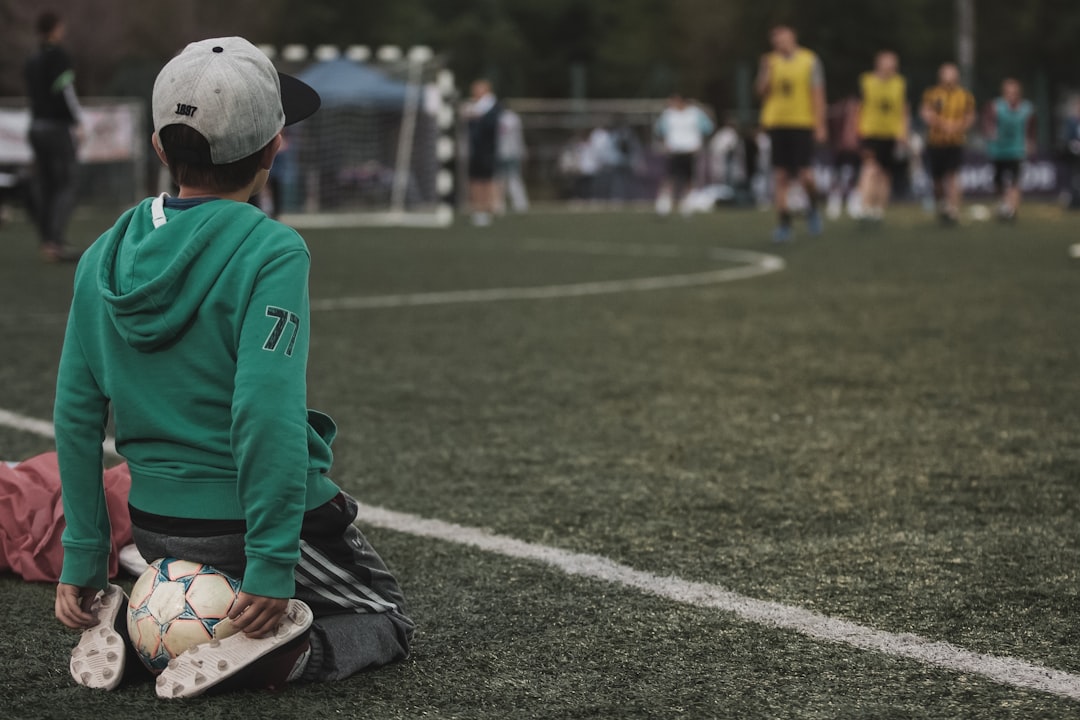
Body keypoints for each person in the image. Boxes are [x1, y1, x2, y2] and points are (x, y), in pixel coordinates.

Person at [52, 37, 413, 699]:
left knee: (209, 587)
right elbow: (264, 410)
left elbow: (75, 414)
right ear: (277, 147)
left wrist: (83, 554)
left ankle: (141, 632)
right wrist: (272, 562)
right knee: (383, 615)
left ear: (161, 147)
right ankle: (272, 660)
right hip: (247, 524)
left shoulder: (102, 255)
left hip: (155, 524)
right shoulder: (271, 249)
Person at [756, 25, 827, 242]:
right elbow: (761, 92)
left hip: (802, 123)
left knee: (806, 175)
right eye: (777, 41)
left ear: (793, 38)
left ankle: (813, 208)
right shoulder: (769, 61)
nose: (781, 44)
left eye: (784, 39)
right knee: (780, 176)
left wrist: (820, 124)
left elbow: (817, 94)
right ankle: (784, 224)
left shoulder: (809, 60)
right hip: (777, 124)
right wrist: (766, 70)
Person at [24, 11, 83, 263]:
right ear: (56, 29)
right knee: (66, 184)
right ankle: (56, 241)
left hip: (35, 127)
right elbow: (66, 92)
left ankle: (47, 241)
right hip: (56, 129)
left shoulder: (32, 60)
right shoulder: (59, 57)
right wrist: (77, 121)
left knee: (46, 186)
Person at [855, 51, 910, 222]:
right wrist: (855, 129)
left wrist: (904, 131)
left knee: (886, 174)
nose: (890, 68)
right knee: (870, 168)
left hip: (892, 134)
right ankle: (865, 207)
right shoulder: (866, 81)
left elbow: (903, 108)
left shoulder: (900, 83)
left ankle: (878, 209)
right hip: (870, 132)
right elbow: (858, 106)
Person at [920, 63, 975, 225]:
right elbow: (925, 113)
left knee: (953, 175)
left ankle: (953, 209)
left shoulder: (965, 96)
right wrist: (944, 125)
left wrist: (958, 127)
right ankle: (941, 205)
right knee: (937, 179)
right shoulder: (932, 94)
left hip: (955, 142)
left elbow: (970, 116)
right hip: (935, 143)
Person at [653, 94, 714, 216]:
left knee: (689, 179)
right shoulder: (668, 114)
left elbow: (708, 128)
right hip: (674, 151)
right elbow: (659, 129)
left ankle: (687, 204)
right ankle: (664, 204)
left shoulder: (695, 113)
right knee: (670, 177)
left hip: (690, 151)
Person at [984, 78, 1034, 221]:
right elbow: (987, 123)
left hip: (1016, 150)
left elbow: (1031, 127)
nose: (1011, 95)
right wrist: (990, 132)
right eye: (1008, 92)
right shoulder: (995, 106)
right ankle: (1003, 204)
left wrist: (1030, 142)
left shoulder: (1026, 108)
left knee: (1015, 180)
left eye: (1014, 92)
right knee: (998, 181)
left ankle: (1012, 210)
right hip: (998, 150)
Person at [465, 79, 501, 226]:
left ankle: (489, 208)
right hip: (476, 150)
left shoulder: (493, 107)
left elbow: (491, 126)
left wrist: (477, 117)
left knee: (488, 179)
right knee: (475, 179)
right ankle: (478, 209)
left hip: (488, 150)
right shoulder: (474, 107)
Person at [496, 107, 529, 213]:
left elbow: (507, 131)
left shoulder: (509, 118)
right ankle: (504, 205)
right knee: (503, 180)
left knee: (512, 180)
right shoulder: (511, 117)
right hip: (504, 153)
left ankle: (519, 204)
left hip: (510, 153)